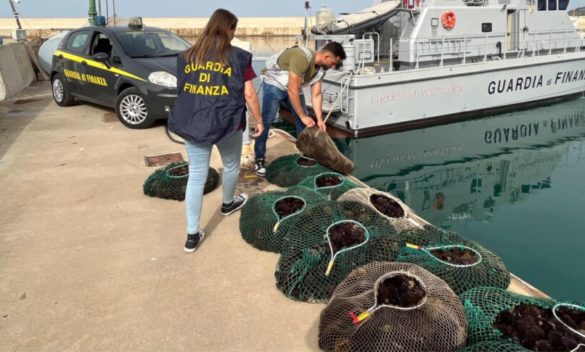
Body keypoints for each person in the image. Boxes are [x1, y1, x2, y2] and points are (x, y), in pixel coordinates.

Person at [168, 9, 264, 253]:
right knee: (231, 166)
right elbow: (249, 93)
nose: (234, 34)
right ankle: (228, 203)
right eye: (234, 29)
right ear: (227, 28)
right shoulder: (239, 57)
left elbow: (184, 89)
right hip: (227, 122)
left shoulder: (186, 56)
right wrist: (259, 120)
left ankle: (191, 235)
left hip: (194, 122)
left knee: (196, 176)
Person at [253, 42, 346, 177]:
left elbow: (316, 94)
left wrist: (320, 120)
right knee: (266, 121)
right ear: (326, 56)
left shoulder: (321, 70)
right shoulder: (301, 57)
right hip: (275, 85)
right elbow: (292, 89)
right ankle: (259, 159)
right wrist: (302, 115)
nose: (334, 66)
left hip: (293, 88)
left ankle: (306, 153)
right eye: (334, 63)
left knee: (304, 122)